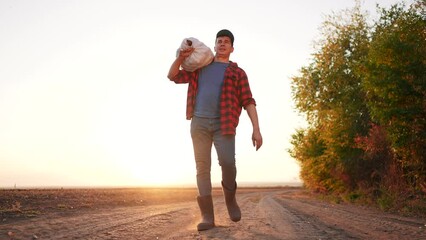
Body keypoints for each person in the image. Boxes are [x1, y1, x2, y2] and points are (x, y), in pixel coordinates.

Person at [167, 29, 263, 231]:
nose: (222, 44)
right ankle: (207, 216)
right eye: (219, 41)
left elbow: (248, 101)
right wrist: (181, 58)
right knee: (202, 168)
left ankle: (230, 199)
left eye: (226, 42)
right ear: (215, 45)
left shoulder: (237, 73)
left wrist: (256, 129)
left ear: (232, 48)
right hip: (199, 123)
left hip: (224, 124)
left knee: (228, 162)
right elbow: (173, 76)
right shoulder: (200, 67)